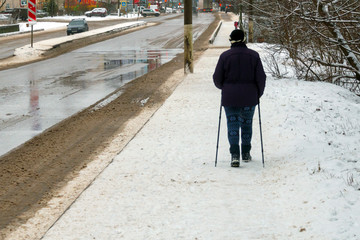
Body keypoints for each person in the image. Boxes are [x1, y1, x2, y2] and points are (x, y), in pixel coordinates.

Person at [213, 29, 266, 167]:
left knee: (232, 125)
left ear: (231, 40)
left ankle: (235, 155)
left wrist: (224, 88)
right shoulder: (254, 56)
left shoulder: (225, 56)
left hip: (230, 98)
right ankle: (246, 153)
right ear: (244, 39)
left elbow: (217, 78)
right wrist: (257, 93)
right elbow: (261, 78)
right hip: (249, 97)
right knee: (247, 124)